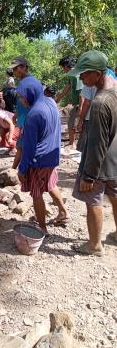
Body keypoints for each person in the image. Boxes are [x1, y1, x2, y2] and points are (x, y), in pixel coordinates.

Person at [70, 50, 117, 256]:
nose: (81, 78)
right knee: (115, 196)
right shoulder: (115, 91)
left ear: (97, 74)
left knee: (93, 200)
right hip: (115, 159)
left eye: (84, 74)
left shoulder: (99, 103)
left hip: (100, 162)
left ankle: (94, 245)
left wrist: (89, 175)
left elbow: (97, 143)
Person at [17, 76, 69, 234]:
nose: (21, 100)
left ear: (31, 93)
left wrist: (22, 169)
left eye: (22, 96)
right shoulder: (51, 102)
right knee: (51, 184)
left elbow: (29, 147)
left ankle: (42, 228)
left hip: (38, 160)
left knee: (36, 193)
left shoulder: (33, 114)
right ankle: (63, 212)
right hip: (52, 155)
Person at [56, 56, 83, 148]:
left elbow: (81, 92)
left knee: (72, 122)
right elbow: (68, 86)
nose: (63, 70)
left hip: (81, 102)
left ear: (67, 66)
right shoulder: (72, 75)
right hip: (76, 102)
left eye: (63, 68)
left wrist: (80, 107)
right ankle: (72, 143)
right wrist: (59, 97)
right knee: (72, 122)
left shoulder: (76, 75)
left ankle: (72, 144)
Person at [8, 56, 31, 169]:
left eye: (15, 69)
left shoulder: (29, 83)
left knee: (21, 148)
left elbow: (31, 104)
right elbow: (21, 102)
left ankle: (14, 170)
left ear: (23, 68)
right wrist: (17, 114)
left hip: (28, 121)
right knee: (20, 147)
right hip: (22, 119)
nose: (14, 72)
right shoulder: (22, 83)